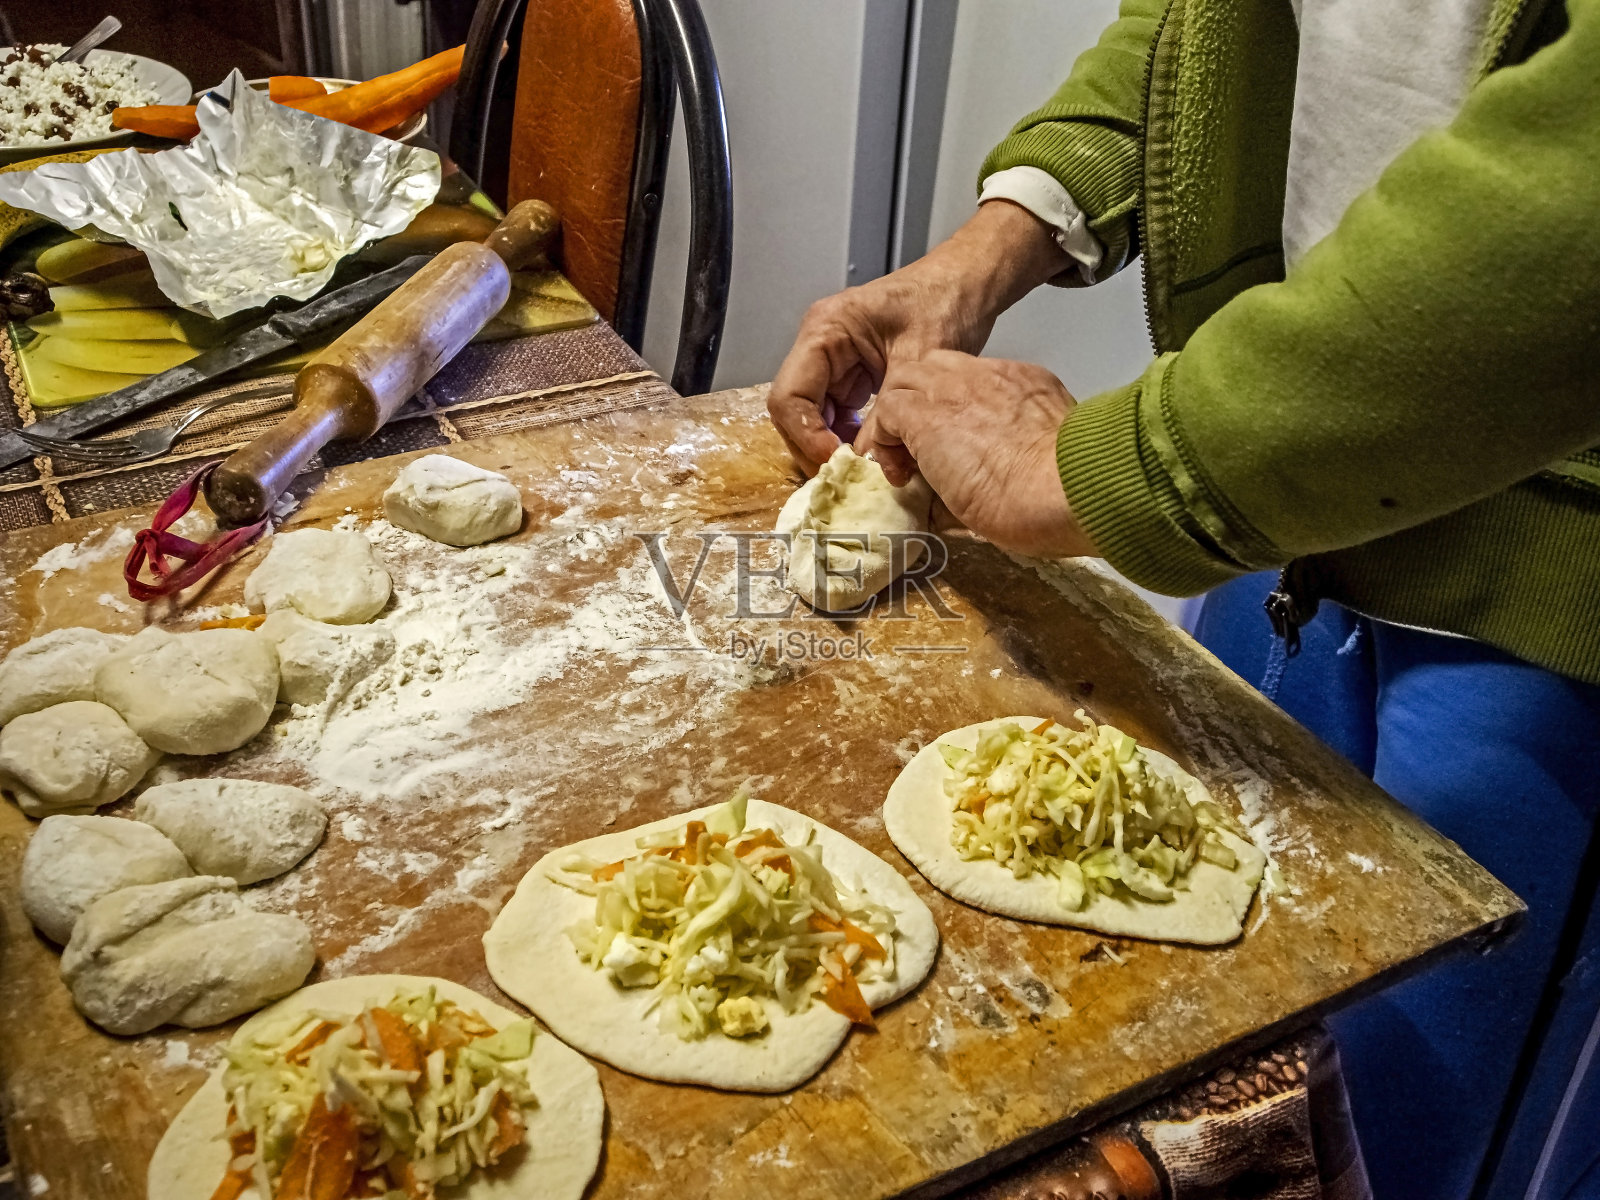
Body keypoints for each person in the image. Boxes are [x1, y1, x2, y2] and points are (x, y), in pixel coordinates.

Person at [767, 1, 1600, 1196]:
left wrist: (1124, 465)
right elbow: (1202, 33)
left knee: (1418, 1129)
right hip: (1271, 493)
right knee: (1225, 1044)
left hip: (1542, 608)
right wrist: (985, 251)